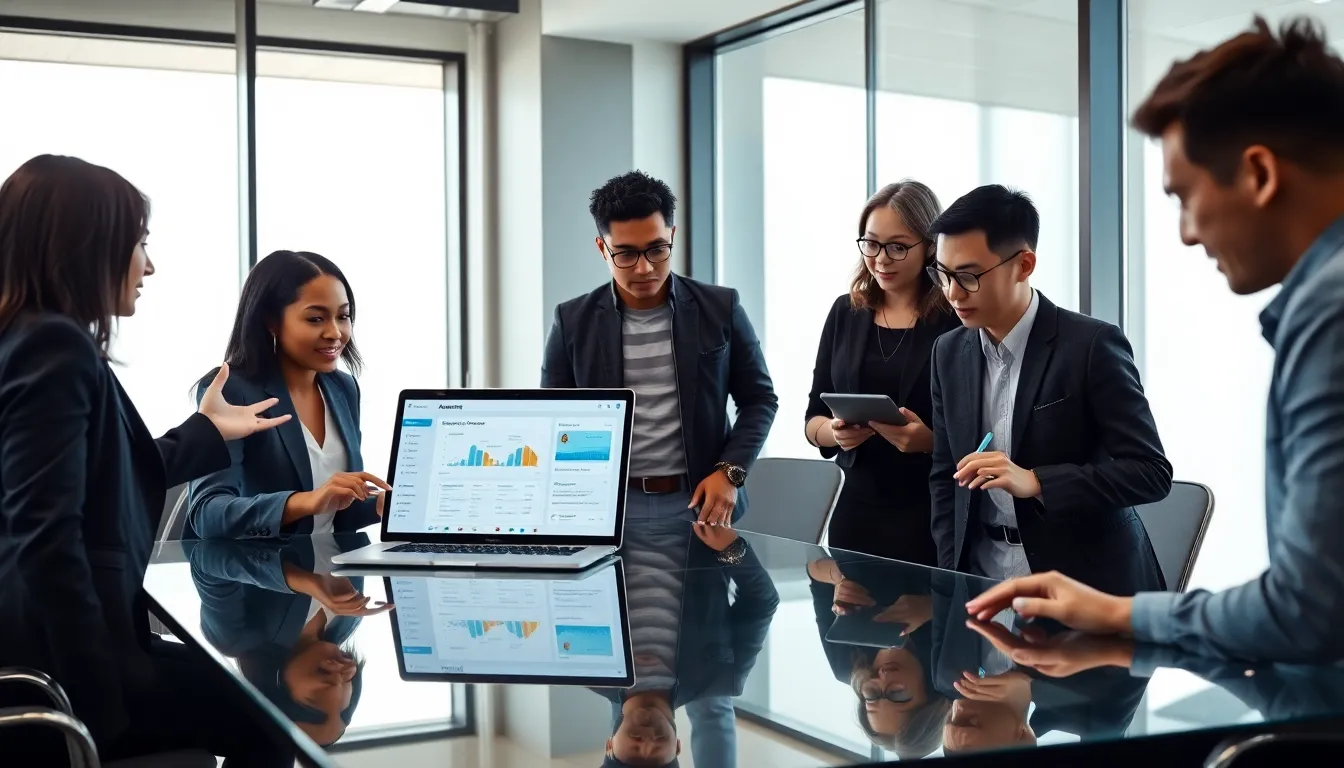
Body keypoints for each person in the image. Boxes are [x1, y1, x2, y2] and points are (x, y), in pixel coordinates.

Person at [965, 17, 1344, 663]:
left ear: (1258, 174)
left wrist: (1119, 611)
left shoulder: (1328, 313)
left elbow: (1308, 608)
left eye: (1185, 197)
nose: (1187, 234)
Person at [0, 154, 294, 764]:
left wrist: (207, 431)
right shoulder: (55, 347)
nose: (149, 266)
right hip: (61, 665)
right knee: (269, 723)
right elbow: (46, 537)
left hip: (38, 648)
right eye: (139, 244)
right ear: (87, 247)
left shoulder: (22, 339)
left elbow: (99, 475)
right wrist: (99, 700)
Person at [926, 184, 1171, 596]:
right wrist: (952, 581)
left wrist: (1037, 481)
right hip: (981, 579)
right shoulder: (948, 351)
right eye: (943, 274)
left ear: (1023, 265)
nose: (952, 293)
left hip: (1084, 585)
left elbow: (1151, 473)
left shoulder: (1091, 346)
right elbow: (943, 478)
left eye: (968, 276)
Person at [542, 171, 777, 527]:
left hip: (703, 503)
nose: (645, 267)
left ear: (672, 236)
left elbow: (760, 400)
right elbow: (553, 417)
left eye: (657, 249)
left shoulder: (720, 307)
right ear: (601, 248)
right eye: (625, 254)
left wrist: (730, 473)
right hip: (607, 509)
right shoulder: (572, 321)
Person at [805, 180, 960, 564]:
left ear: (929, 247)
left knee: (927, 620)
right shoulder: (846, 312)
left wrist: (930, 441)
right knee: (846, 622)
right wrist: (834, 433)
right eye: (871, 244)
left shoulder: (956, 322)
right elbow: (813, 419)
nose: (881, 259)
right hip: (853, 509)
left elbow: (986, 431)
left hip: (929, 511)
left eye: (897, 247)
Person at [186, 250, 391, 540]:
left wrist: (380, 506)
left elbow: (332, 515)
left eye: (343, 316)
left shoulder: (343, 388)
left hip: (332, 575)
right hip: (260, 575)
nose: (335, 332)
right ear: (271, 320)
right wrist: (306, 500)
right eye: (316, 319)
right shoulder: (232, 391)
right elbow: (208, 515)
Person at [597, 521, 778, 768]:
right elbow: (762, 602)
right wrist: (731, 548)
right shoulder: (721, 677)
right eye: (658, 749)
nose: (648, 741)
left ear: (610, 744)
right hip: (694, 513)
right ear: (678, 746)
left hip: (615, 516)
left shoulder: (585, 668)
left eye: (634, 752)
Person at [190, 533, 388, 746]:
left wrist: (301, 581)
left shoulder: (235, 637)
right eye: (344, 710)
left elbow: (204, 558)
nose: (335, 689)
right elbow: (342, 530)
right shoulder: (348, 621)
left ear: (271, 692)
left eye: (314, 705)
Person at [806, 554, 949, 759]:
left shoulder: (845, 665)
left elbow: (813, 568)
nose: (882, 678)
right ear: (930, 698)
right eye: (897, 695)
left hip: (856, 535)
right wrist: (935, 607)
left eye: (872, 696)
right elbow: (995, 587)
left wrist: (838, 579)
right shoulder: (949, 662)